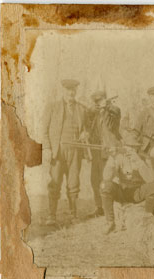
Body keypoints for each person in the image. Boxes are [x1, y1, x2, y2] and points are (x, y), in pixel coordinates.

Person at [42, 79, 89, 225]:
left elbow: (86, 129)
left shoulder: (82, 109)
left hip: (75, 150)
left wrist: (85, 133)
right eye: (68, 90)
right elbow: (44, 131)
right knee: (55, 182)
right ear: (64, 90)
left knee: (73, 182)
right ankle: (51, 216)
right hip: (58, 150)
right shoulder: (52, 107)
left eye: (73, 90)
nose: (71, 92)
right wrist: (47, 149)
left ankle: (73, 215)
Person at [99, 134, 154, 234]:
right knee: (105, 185)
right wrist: (112, 159)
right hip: (123, 191)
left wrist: (138, 161)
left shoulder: (144, 158)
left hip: (138, 192)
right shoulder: (118, 157)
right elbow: (106, 177)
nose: (130, 149)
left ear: (138, 148)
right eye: (128, 146)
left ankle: (148, 218)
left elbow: (151, 180)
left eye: (133, 147)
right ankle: (110, 222)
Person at [87, 90, 122, 217]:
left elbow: (110, 124)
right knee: (94, 180)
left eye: (100, 100)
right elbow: (88, 121)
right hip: (96, 152)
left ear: (106, 100)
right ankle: (99, 207)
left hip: (108, 152)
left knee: (106, 180)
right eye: (96, 101)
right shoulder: (95, 113)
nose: (98, 103)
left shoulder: (114, 111)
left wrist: (106, 108)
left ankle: (110, 208)